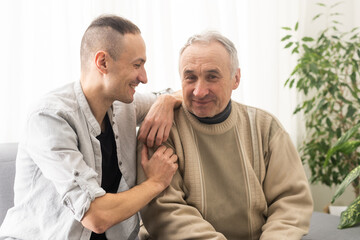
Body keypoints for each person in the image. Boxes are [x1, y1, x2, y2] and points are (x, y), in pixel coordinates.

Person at [0, 15, 181, 240]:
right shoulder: (49, 117)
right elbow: (96, 216)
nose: (144, 77)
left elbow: (181, 94)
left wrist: (166, 101)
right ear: (103, 62)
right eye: (137, 65)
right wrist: (156, 182)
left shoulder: (124, 106)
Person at [137, 31, 313, 240]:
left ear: (235, 78)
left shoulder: (266, 127)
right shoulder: (163, 130)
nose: (199, 91)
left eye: (212, 77)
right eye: (190, 77)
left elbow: (290, 202)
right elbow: (166, 213)